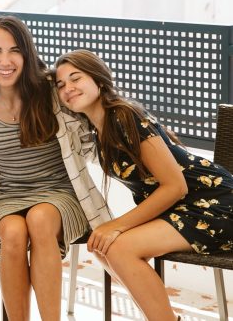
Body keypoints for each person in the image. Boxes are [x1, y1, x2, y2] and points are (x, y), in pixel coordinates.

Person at [54, 49, 233, 321]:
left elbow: (176, 186)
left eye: (75, 78)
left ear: (98, 80)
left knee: (117, 246)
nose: (68, 88)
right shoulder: (97, 129)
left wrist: (116, 225)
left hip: (216, 204)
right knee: (103, 247)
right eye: (61, 84)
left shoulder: (125, 116)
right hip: (182, 209)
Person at [0, 16, 112, 321]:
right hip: (7, 196)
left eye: (14, 50)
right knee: (13, 232)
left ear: (27, 55)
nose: (5, 60)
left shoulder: (52, 93)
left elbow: (91, 124)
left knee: (40, 219)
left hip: (61, 194)